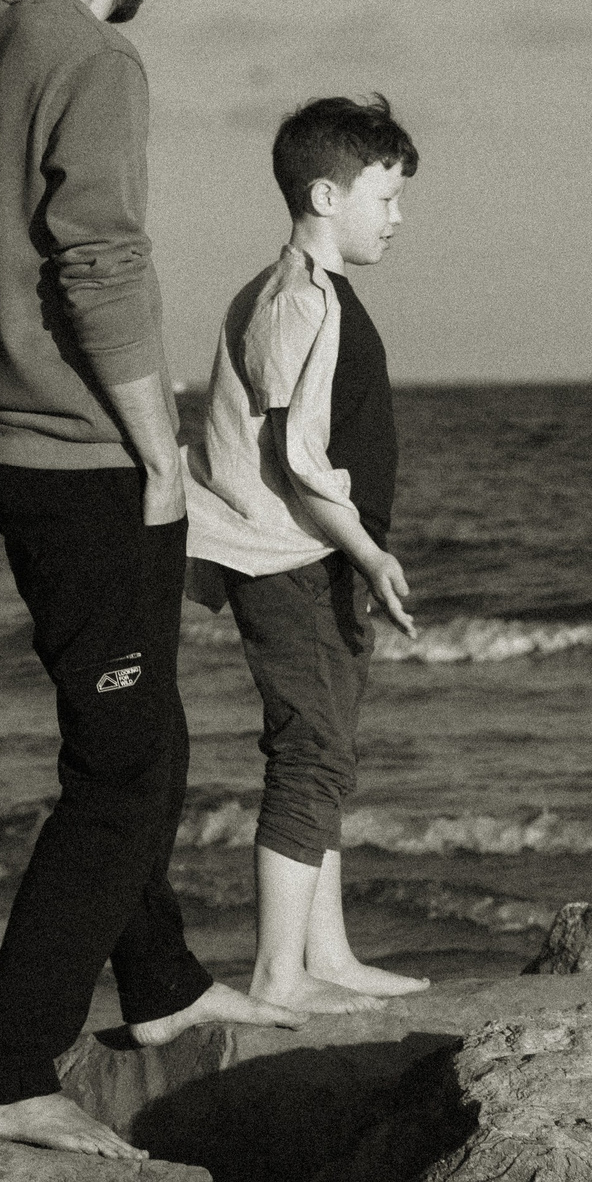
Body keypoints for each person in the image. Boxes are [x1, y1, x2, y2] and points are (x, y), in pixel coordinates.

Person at [0, 0, 303, 1160]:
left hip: (9, 436)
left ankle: (160, 985)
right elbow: (98, 258)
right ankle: (7, 1065)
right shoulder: (95, 54)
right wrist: (161, 444)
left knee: (147, 739)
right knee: (119, 770)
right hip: (81, 451)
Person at [185, 94, 432, 1018]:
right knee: (309, 752)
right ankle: (278, 973)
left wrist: (355, 553)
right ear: (326, 195)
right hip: (286, 554)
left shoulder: (308, 291)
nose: (397, 218)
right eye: (385, 198)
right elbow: (296, 454)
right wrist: (368, 551)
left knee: (328, 752)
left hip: (310, 553)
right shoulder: (293, 301)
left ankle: (325, 954)